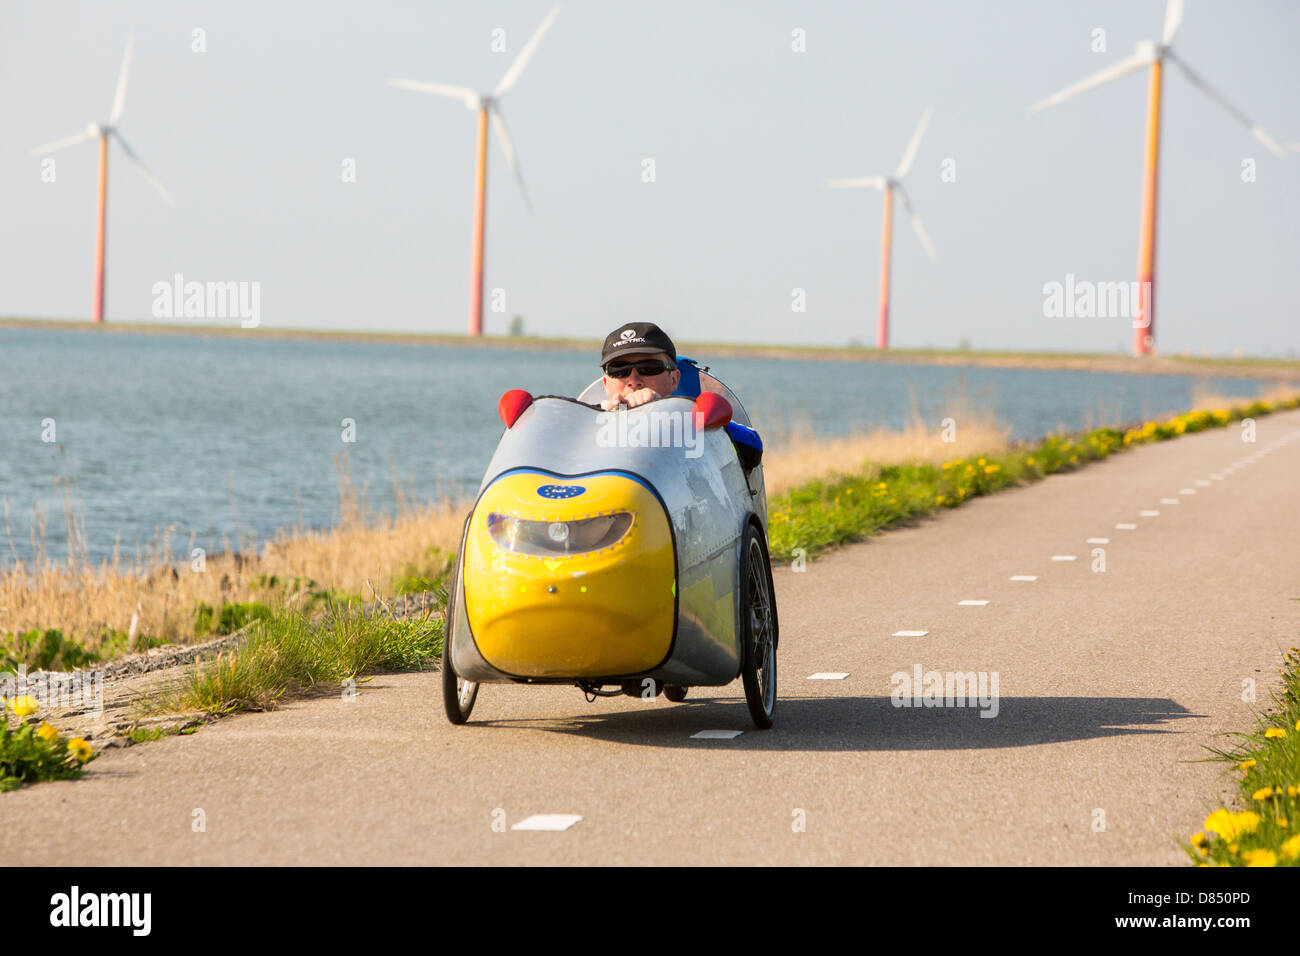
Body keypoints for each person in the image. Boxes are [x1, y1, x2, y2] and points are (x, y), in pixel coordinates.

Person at [596, 322, 681, 410]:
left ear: (674, 379)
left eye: (649, 368)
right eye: (619, 371)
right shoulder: (587, 419)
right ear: (606, 383)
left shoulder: (693, 419)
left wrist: (660, 408)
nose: (634, 381)